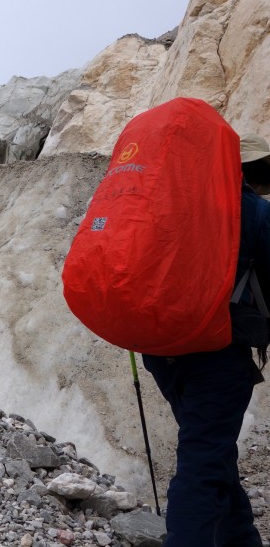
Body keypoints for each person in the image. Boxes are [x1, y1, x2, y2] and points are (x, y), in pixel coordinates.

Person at [141, 133, 270, 547]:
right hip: (218, 353)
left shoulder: (173, 206)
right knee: (203, 464)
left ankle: (243, 540)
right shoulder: (254, 212)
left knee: (213, 450)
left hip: (162, 350)